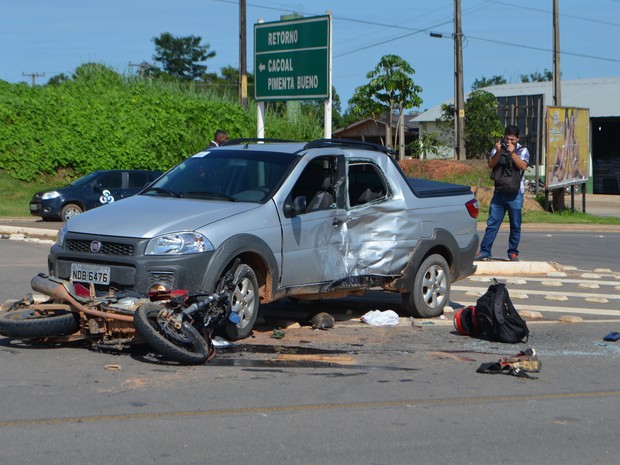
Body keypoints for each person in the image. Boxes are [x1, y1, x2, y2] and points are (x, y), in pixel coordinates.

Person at [475, 125, 530, 262]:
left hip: (516, 193)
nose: (509, 142)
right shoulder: (498, 148)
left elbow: (523, 166)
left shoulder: (523, 150)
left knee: (515, 224)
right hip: (499, 192)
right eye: (507, 139)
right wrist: (499, 152)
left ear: (517, 138)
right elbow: (491, 164)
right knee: (492, 223)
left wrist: (512, 153)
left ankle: (513, 252)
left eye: (512, 139)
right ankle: (485, 251)